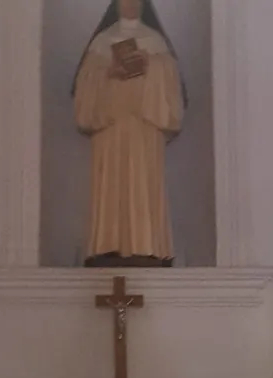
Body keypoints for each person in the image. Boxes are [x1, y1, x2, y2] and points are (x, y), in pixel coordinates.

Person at [72, 0, 186, 267]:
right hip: (111, 128)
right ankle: (107, 244)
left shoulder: (155, 41)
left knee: (143, 182)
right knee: (111, 182)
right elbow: (86, 85)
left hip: (144, 126)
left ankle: (146, 245)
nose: (131, 4)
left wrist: (150, 65)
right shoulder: (102, 41)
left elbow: (170, 82)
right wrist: (109, 72)